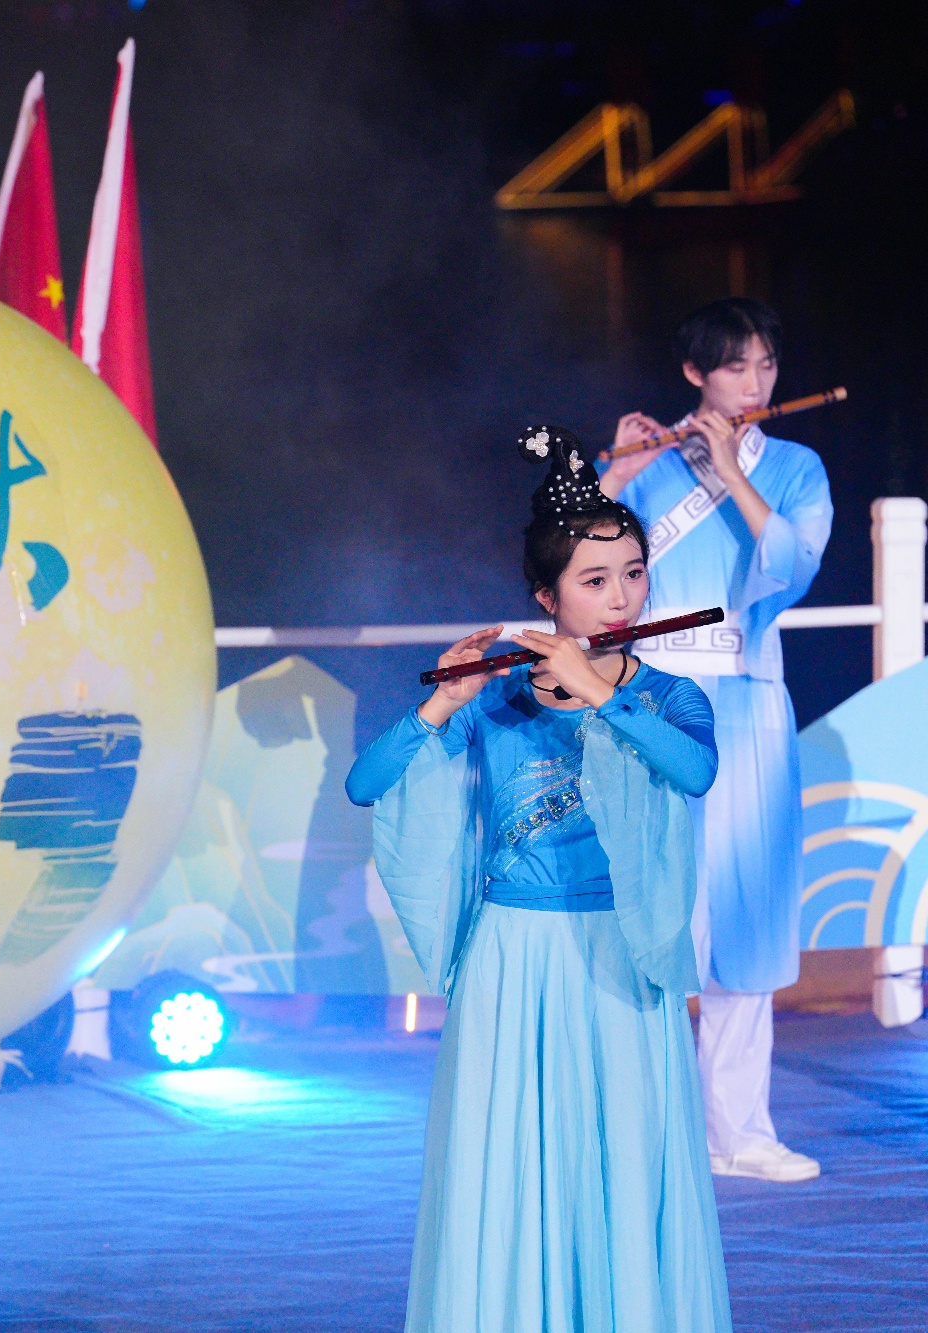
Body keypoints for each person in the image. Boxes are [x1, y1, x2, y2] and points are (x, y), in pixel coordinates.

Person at [349, 426, 730, 1332]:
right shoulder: (498, 697)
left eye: (633, 572)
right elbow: (368, 785)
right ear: (546, 596)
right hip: (513, 957)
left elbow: (695, 771)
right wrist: (440, 702)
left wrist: (602, 694)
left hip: (623, 951)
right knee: (510, 1156)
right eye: (594, 581)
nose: (621, 595)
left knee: (625, 1153)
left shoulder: (669, 695)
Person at [601, 297, 832, 1183]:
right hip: (652, 699)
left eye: (767, 364)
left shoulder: (796, 467)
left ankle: (738, 1132)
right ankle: (641, 1130)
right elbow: (564, 568)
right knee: (649, 907)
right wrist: (616, 477)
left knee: (746, 911)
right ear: (695, 373)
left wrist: (732, 470)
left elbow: (795, 566)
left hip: (749, 697)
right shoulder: (643, 464)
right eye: (736, 365)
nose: (756, 381)